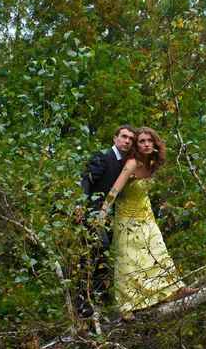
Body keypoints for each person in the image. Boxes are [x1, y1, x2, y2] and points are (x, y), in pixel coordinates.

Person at [98, 127, 195, 315]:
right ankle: (127, 306)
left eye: (149, 141)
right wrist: (101, 215)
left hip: (145, 212)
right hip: (126, 216)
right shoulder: (132, 163)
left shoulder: (152, 162)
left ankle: (175, 288)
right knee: (128, 260)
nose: (146, 144)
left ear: (155, 143)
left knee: (158, 250)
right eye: (141, 141)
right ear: (136, 144)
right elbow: (115, 190)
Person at [76, 125, 136, 315]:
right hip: (93, 213)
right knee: (98, 249)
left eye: (130, 139)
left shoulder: (127, 163)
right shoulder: (102, 156)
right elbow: (87, 179)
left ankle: (96, 302)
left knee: (104, 259)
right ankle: (83, 304)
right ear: (115, 138)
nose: (127, 141)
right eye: (124, 137)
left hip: (112, 219)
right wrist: (80, 203)